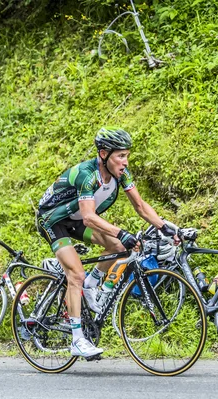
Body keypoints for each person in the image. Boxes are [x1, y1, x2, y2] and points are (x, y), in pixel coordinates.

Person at [37, 127, 178, 359]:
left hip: (76, 218)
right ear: (103, 154)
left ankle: (91, 285)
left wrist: (164, 227)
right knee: (75, 275)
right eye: (120, 156)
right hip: (53, 220)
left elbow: (140, 206)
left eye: (127, 155)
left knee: (119, 248)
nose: (125, 161)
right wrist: (121, 232)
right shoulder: (87, 175)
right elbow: (89, 217)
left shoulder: (121, 173)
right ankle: (77, 340)